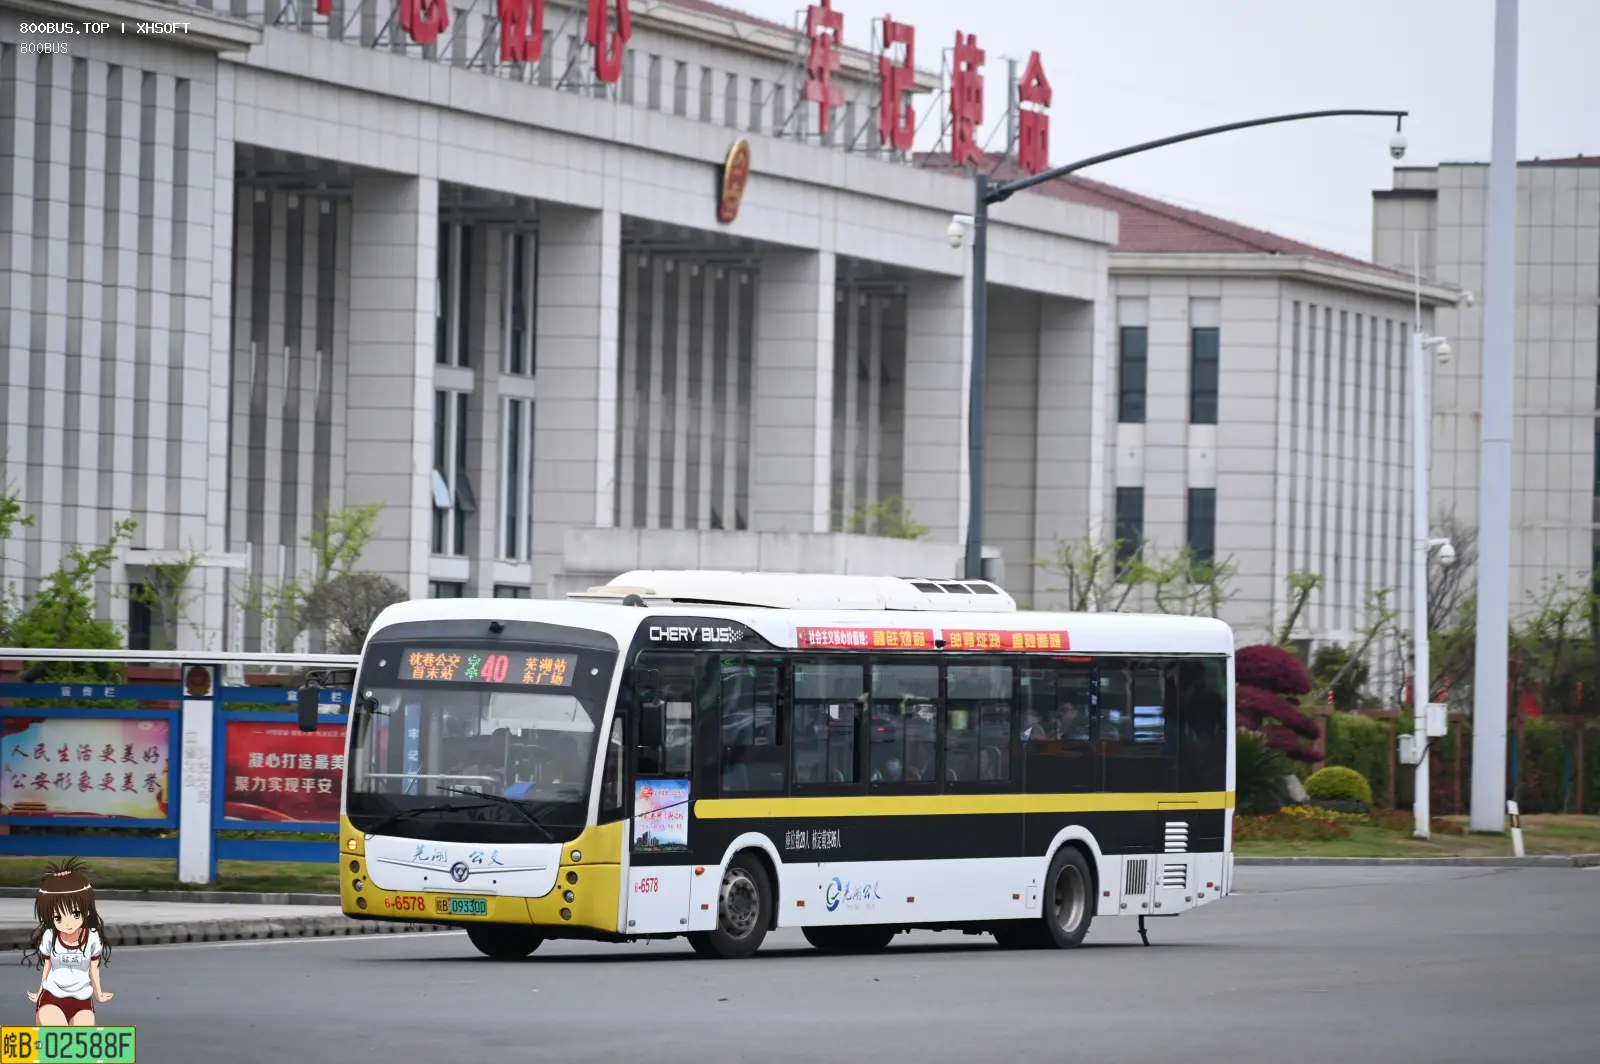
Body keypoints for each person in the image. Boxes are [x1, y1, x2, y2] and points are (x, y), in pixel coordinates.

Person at [22, 858, 113, 1027]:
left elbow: (94, 969)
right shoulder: (50, 936)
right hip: (52, 998)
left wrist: (98, 993)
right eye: (58, 917)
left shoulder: (92, 938)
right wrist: (40, 991)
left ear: (86, 910)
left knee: (80, 1045)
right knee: (57, 1037)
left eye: (75, 914)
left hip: (83, 1001)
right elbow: (47, 967)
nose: (67, 923)